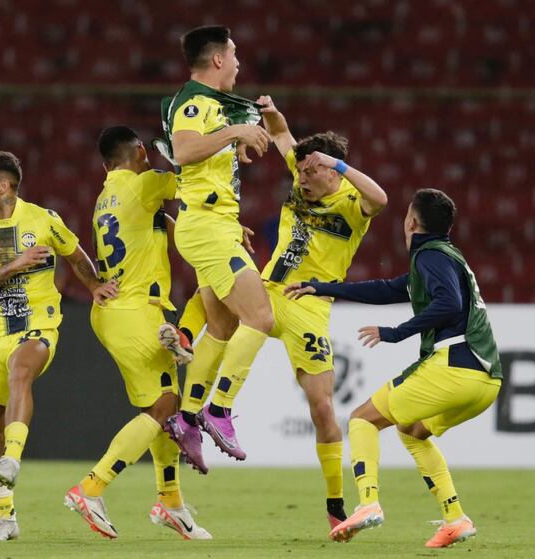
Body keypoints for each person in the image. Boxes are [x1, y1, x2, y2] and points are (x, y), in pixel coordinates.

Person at [164, 97, 389, 528]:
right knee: (229, 320)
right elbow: (283, 133)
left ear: (331, 169)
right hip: (270, 290)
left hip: (312, 308)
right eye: (299, 170)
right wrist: (269, 111)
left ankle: (335, 504)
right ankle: (204, 413)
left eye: (310, 171)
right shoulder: (303, 171)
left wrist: (338, 166)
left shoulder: (353, 204)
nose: (301, 177)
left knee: (322, 408)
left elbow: (380, 198)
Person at [285, 188, 503, 547]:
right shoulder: (446, 256)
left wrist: (396, 333)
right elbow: (389, 288)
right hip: (486, 379)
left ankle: (368, 503)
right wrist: (322, 287)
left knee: (361, 419)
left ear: (411, 222)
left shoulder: (430, 256)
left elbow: (450, 303)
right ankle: (455, 518)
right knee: (413, 431)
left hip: (455, 364)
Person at [0, 151, 117, 542]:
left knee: (20, 371)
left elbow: (76, 256)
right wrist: (19, 263)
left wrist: (95, 285)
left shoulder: (44, 219)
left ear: (3, 185)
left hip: (37, 324)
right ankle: (5, 518)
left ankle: (14, 457)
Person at [63, 126, 211, 540]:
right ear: (141, 152)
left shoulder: (107, 196)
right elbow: (195, 183)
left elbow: (161, 223)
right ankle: (91, 489)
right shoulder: (145, 183)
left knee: (165, 406)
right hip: (136, 312)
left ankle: (171, 502)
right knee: (164, 407)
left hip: (115, 311)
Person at [159, 24, 275, 471]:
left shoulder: (213, 108)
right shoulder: (194, 103)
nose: (240, 64)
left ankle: (188, 419)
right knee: (260, 317)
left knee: (223, 328)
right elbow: (184, 151)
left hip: (217, 224)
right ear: (219, 60)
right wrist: (235, 134)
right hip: (205, 228)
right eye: (236, 55)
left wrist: (233, 143)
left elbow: (203, 163)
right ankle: (219, 410)